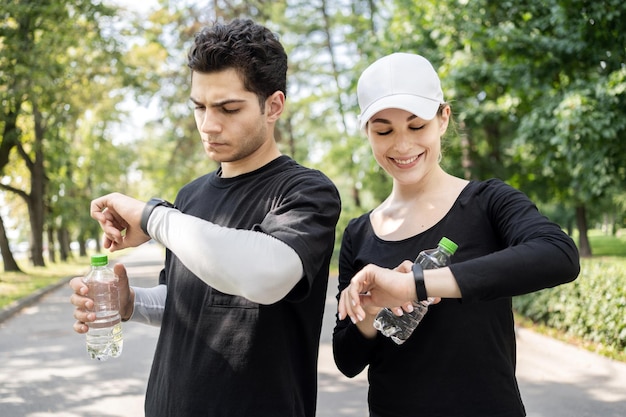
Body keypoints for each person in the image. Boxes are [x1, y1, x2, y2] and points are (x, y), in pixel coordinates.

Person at [70, 18, 341, 417]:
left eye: (228, 108)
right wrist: (130, 303)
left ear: (274, 106)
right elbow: (188, 303)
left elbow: (266, 276)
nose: (208, 125)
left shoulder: (306, 192)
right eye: (199, 107)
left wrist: (152, 217)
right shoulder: (191, 196)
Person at [332, 52, 580, 417]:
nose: (402, 146)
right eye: (384, 130)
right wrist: (368, 311)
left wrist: (417, 284)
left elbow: (558, 254)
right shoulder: (358, 233)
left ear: (443, 118)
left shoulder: (488, 202)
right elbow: (347, 360)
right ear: (367, 132)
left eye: (417, 127)